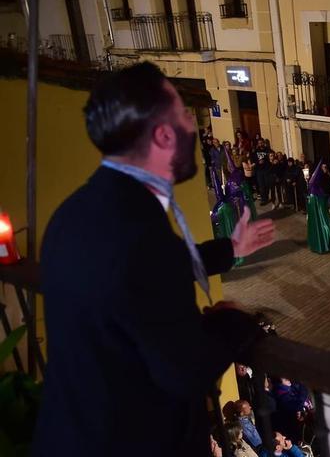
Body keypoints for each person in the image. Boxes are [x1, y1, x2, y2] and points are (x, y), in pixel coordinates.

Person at [33, 62, 276, 455]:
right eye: (184, 114)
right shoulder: (141, 237)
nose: (193, 126)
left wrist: (230, 249)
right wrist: (235, 321)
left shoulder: (74, 211)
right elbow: (186, 373)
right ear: (164, 136)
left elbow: (138, 279)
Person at [305, 160, 330, 254]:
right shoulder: (320, 178)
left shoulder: (321, 177)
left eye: (326, 167)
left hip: (319, 201)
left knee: (322, 221)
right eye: (323, 167)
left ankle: (323, 242)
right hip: (318, 202)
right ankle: (323, 243)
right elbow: (323, 189)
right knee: (322, 222)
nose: (325, 169)